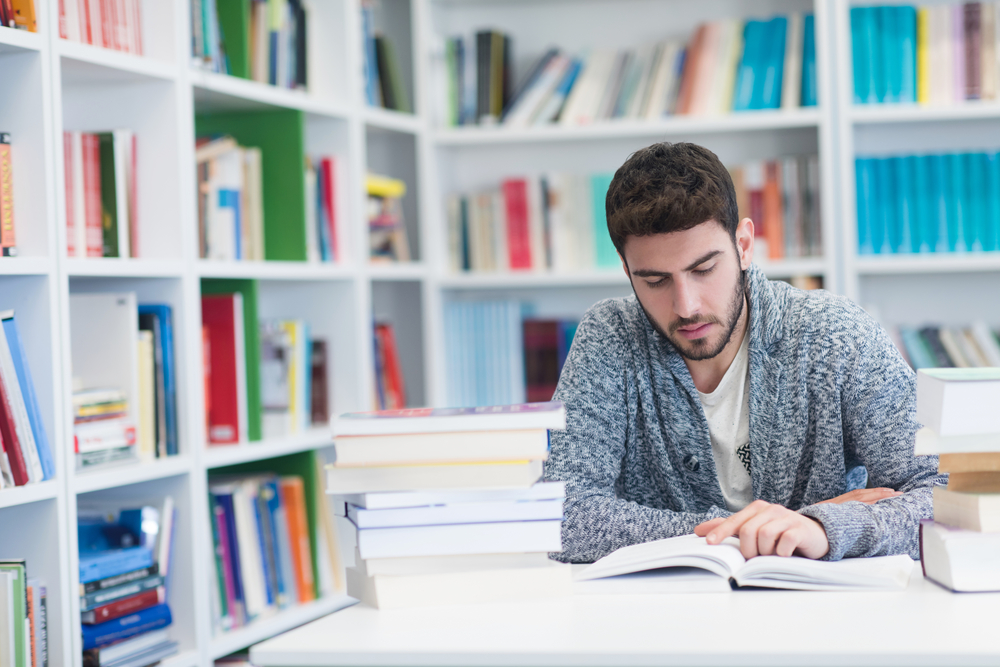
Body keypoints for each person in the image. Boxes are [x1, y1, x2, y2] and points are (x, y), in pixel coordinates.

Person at [544, 142, 944, 563]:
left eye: (704, 269)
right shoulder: (609, 338)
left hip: (823, 618)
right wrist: (775, 527)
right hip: (662, 618)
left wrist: (827, 530)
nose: (687, 306)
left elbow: (944, 491)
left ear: (745, 245)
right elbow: (560, 514)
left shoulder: (834, 335)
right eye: (656, 280)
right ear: (627, 272)